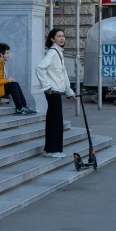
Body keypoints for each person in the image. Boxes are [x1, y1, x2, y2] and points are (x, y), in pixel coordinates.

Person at [36, 28, 75, 158]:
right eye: (59, 36)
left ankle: (55, 150)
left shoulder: (59, 53)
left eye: (63, 36)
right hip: (52, 92)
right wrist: (46, 87)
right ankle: (51, 151)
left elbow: (63, 74)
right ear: (52, 39)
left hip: (57, 91)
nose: (62, 38)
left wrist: (69, 91)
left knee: (57, 121)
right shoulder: (52, 52)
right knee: (54, 121)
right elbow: (40, 68)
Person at [0, 42, 36, 115]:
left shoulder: (1, 64)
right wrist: (7, 80)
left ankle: (24, 106)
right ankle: (19, 108)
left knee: (15, 84)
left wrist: (8, 80)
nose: (8, 55)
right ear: (1, 54)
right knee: (13, 85)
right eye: (7, 53)